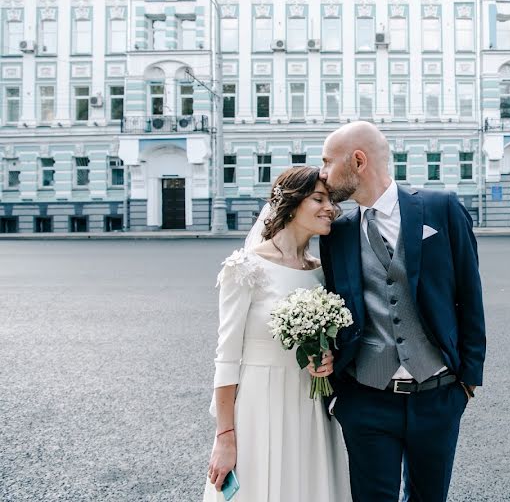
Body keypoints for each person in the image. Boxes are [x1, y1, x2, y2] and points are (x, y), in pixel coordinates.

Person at [317, 121, 486, 502]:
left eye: (327, 161)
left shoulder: (441, 209)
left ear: (358, 161)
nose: (322, 174)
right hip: (366, 398)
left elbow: (470, 296)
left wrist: (468, 381)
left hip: (438, 395)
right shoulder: (338, 233)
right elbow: (333, 305)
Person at [203, 166, 351, 501]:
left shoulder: (321, 272)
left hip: (309, 402)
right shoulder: (245, 267)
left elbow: (328, 338)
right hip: (259, 402)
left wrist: (326, 357)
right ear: (293, 203)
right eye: (319, 199)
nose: (331, 209)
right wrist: (225, 435)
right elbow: (226, 357)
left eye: (332, 201)